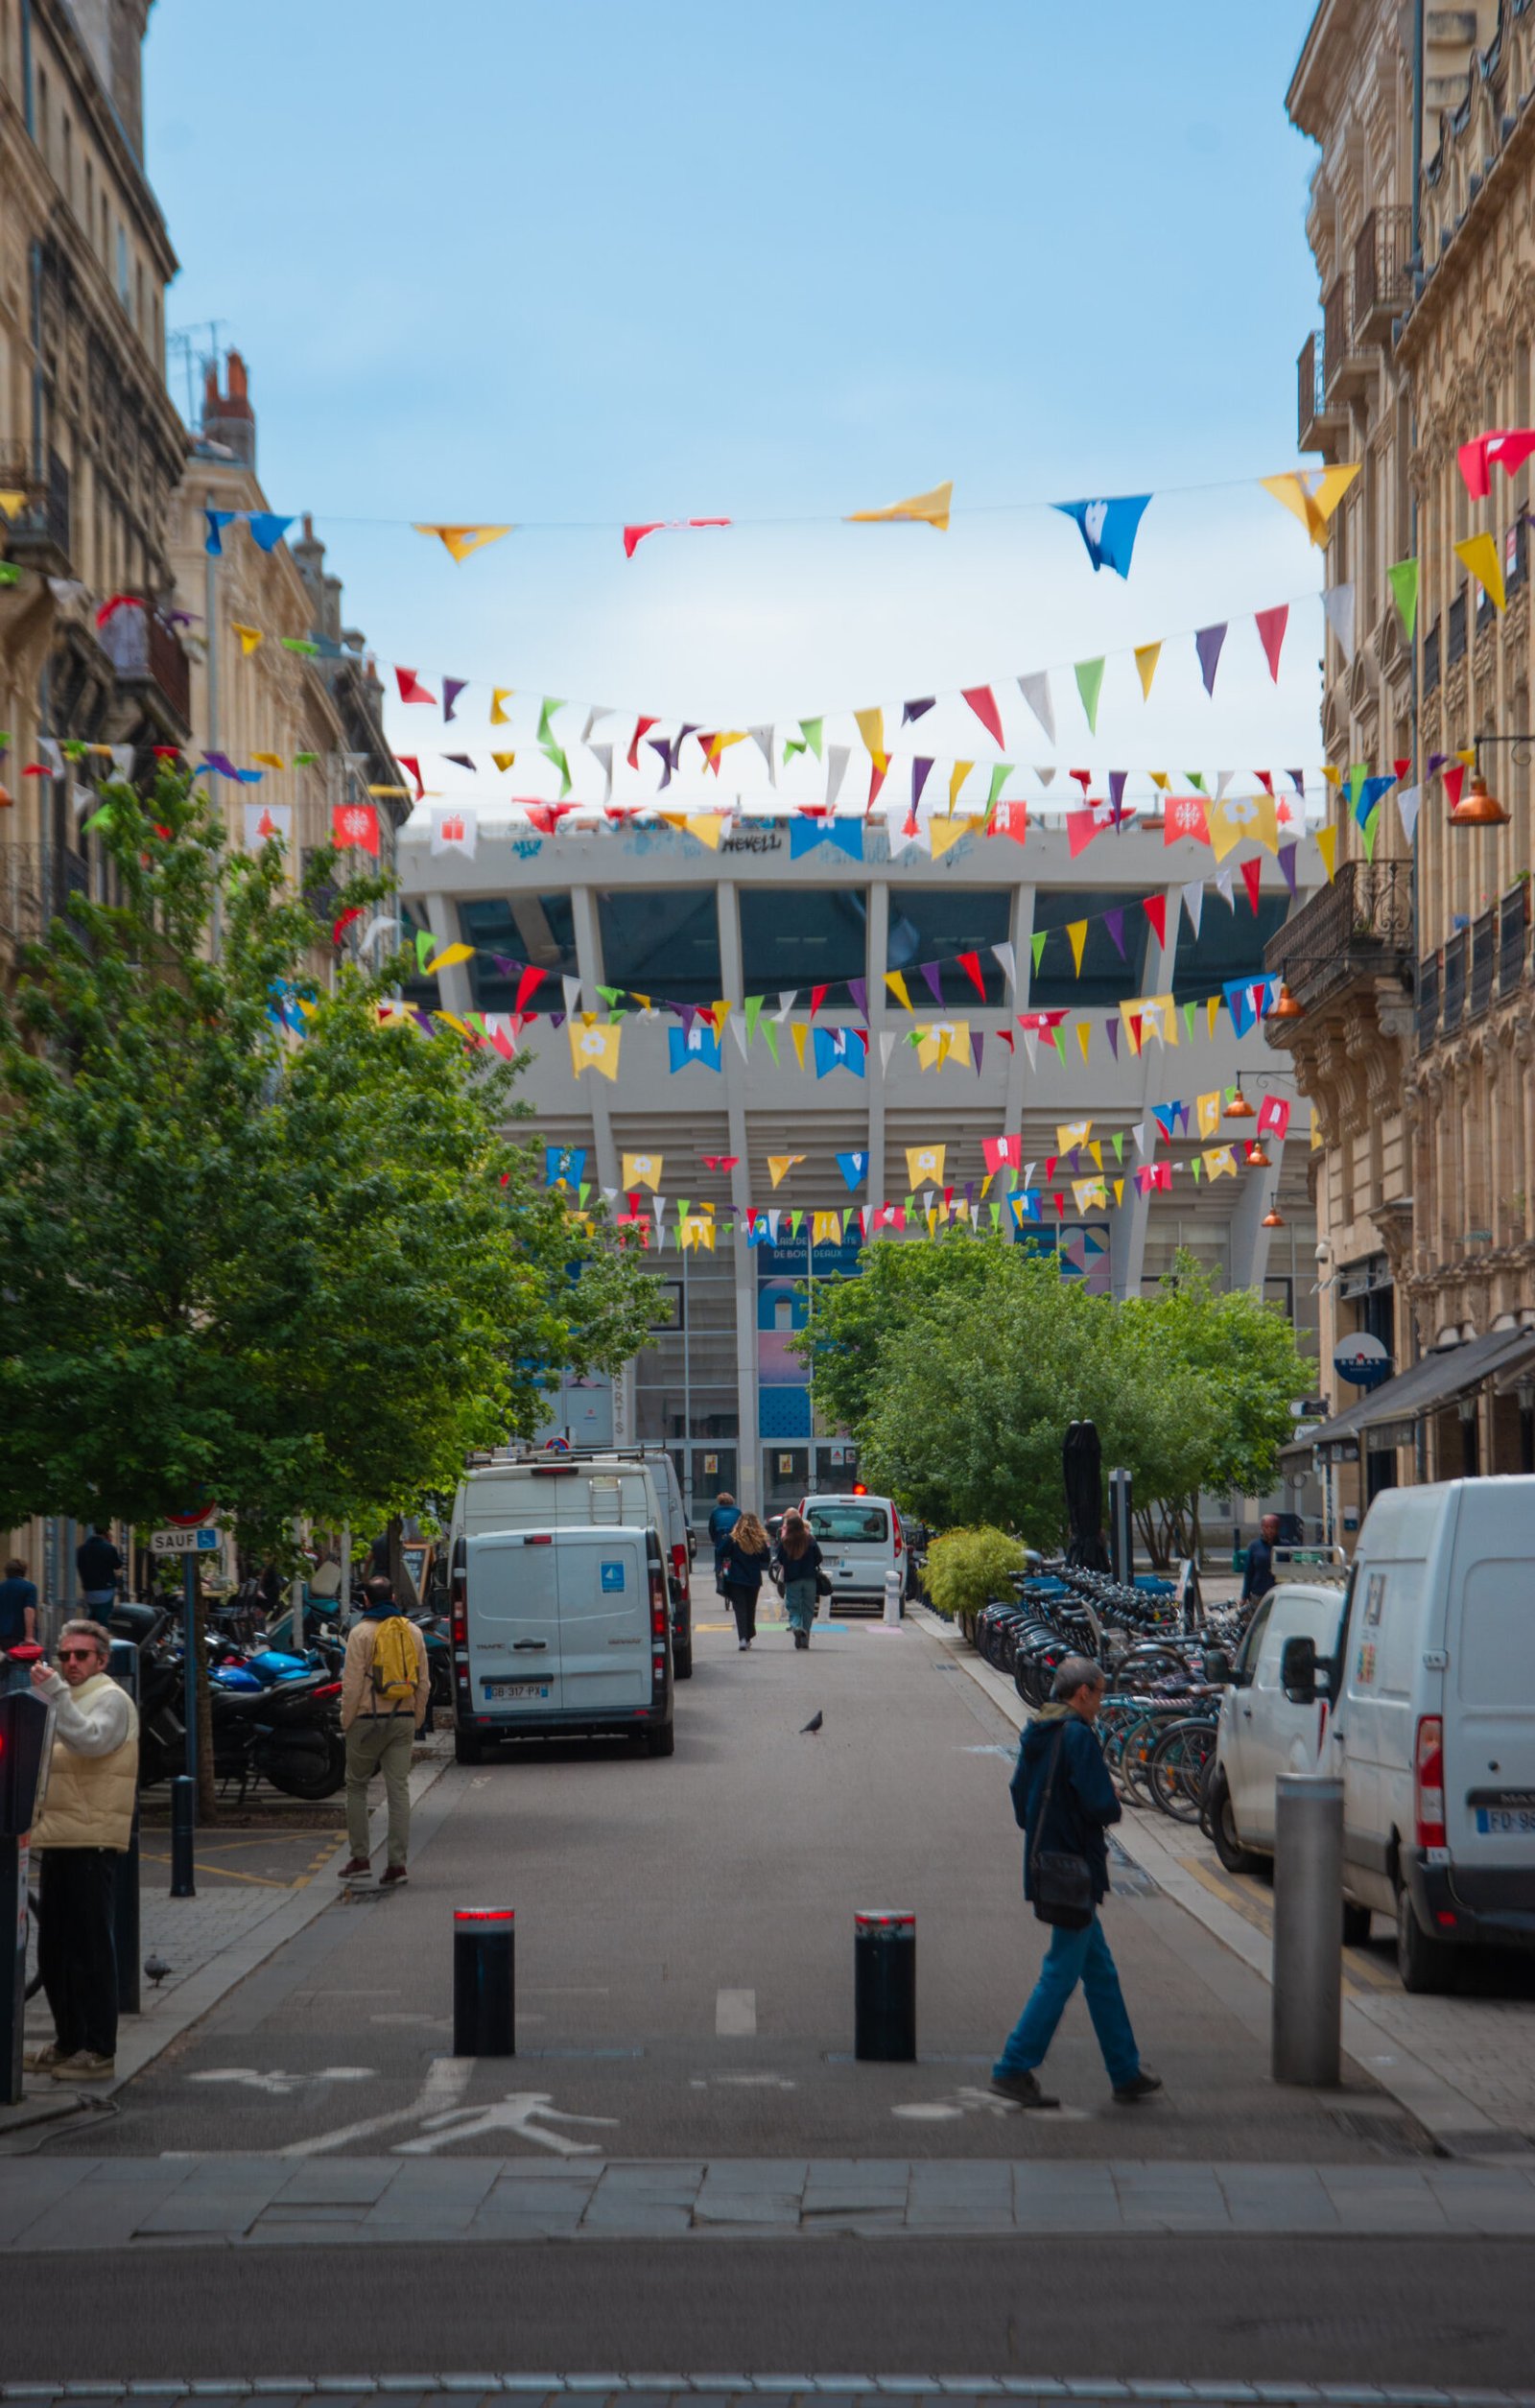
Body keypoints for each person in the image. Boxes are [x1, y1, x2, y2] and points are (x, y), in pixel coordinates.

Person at [991, 1655, 1162, 2111]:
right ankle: (1013, 2065)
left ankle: (1125, 2069)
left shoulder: (1038, 1731)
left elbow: (1020, 1799)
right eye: (1100, 1693)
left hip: (1047, 1860)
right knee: (1061, 1972)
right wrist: (1112, 1797)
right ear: (1082, 1692)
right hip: (1074, 1870)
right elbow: (1101, 1805)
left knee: (1099, 1972)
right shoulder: (1078, 1736)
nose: (1101, 1702)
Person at [25, 1620, 140, 2082]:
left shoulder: (110, 1699)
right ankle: (68, 2041)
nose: (70, 1663)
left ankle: (98, 2049)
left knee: (90, 1950)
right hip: (57, 1836)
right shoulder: (63, 1696)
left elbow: (90, 1741)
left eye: (81, 1656)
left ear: (101, 1660)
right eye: (64, 1655)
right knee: (55, 1951)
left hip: (91, 1841)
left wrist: (55, 1693)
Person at [337, 1574, 428, 1886]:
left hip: (367, 1719)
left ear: (366, 1600)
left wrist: (346, 1720)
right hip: (403, 1717)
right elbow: (424, 1681)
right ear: (393, 1597)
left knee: (356, 1786)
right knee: (398, 1789)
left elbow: (351, 1685)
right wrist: (416, 1717)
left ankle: (360, 1859)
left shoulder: (360, 1633)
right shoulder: (412, 1631)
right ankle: (397, 1865)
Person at [721, 1512, 771, 1651]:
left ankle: (743, 1638)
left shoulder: (733, 1539)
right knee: (750, 1607)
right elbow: (766, 1558)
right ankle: (748, 1636)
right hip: (753, 1579)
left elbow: (721, 1551)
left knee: (740, 1609)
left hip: (736, 1579)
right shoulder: (759, 1540)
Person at [774, 1510, 823, 1650]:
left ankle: (796, 1626)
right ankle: (805, 1638)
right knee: (808, 1608)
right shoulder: (810, 1539)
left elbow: (780, 1558)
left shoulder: (786, 1541)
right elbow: (819, 1558)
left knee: (793, 1606)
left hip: (792, 1578)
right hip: (809, 1578)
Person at [75, 1528, 122, 1619]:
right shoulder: (109, 1548)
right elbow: (117, 1565)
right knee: (103, 1619)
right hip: (105, 1589)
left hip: (88, 1589)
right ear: (106, 1535)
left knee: (93, 1616)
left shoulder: (81, 1549)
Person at [1241, 1512, 1281, 1606]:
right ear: (1262, 1528)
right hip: (1259, 1594)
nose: (1270, 1531)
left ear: (1277, 1529)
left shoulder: (1285, 1547)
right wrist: (1244, 1596)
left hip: (1279, 1593)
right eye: (1267, 1527)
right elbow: (1249, 1572)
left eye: (1273, 1528)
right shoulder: (1254, 1546)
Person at [0, 1555, 38, 1650]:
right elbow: (29, 1610)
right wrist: (29, 1636)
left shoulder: (1, 1587)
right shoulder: (29, 1587)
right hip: (20, 1636)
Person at [708, 1492, 742, 1594]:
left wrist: (714, 1539)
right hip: (734, 1538)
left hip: (720, 1537)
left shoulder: (715, 1512)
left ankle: (719, 1578)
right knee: (735, 1558)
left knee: (719, 1556)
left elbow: (711, 1528)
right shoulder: (737, 1511)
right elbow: (741, 1526)